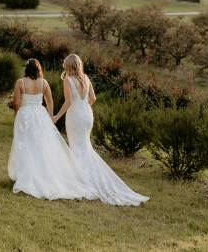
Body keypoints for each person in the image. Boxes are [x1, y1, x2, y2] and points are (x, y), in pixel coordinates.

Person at [53, 54, 149, 206]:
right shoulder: (86, 77)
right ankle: (85, 177)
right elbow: (93, 99)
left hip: (75, 116)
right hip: (87, 115)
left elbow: (69, 102)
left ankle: (80, 180)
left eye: (64, 63)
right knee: (85, 147)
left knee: (77, 147)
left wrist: (57, 116)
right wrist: (84, 108)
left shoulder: (68, 80)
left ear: (68, 65)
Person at [8, 58, 96, 201]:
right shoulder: (44, 82)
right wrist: (49, 116)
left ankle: (26, 175)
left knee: (24, 144)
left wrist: (18, 113)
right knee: (41, 146)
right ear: (39, 69)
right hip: (40, 115)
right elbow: (50, 101)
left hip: (25, 115)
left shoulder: (20, 82)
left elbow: (17, 103)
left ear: (26, 69)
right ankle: (42, 174)